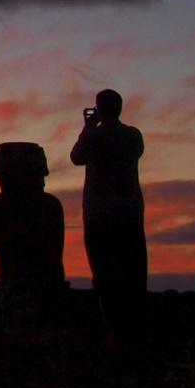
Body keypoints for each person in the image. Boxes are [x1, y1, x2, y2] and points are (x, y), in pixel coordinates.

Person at [70, 89, 146, 339]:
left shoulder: (96, 136)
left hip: (100, 215)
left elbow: (76, 157)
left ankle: (114, 331)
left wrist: (89, 127)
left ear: (99, 109)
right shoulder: (133, 136)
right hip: (130, 214)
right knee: (132, 274)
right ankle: (133, 330)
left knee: (104, 275)